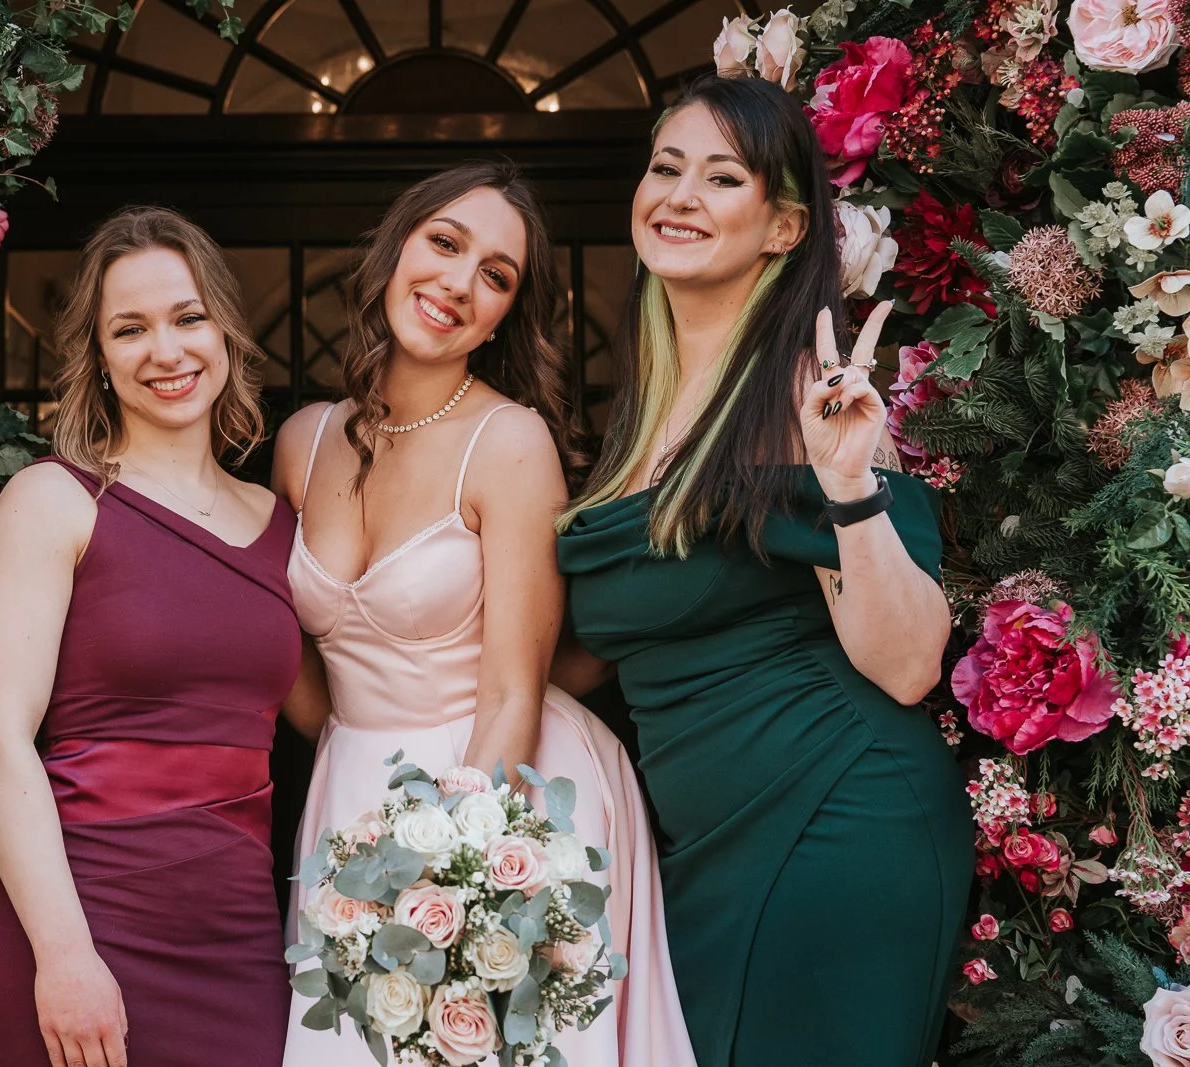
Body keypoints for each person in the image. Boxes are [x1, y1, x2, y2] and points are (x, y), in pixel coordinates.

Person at [553, 74, 975, 1066]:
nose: (679, 195)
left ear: (783, 227)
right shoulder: (632, 418)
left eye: (720, 176)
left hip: (837, 817)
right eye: (665, 168)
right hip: (698, 855)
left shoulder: (806, 394)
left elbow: (911, 662)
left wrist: (848, 486)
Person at [275, 161, 696, 1066]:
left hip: (500, 798)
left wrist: (446, 887)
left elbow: (514, 690)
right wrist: (350, 767)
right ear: (395, 248)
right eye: (444, 243)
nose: (458, 285)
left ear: (507, 312)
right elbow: (295, 669)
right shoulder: (300, 440)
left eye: (496, 276)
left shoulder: (509, 442)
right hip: (349, 794)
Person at [0, 207, 298, 1067]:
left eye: (189, 318)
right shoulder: (55, 500)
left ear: (225, 331)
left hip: (238, 931)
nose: (168, 350)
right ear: (100, 358)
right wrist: (67, 956)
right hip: (81, 918)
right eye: (131, 328)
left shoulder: (279, 522)